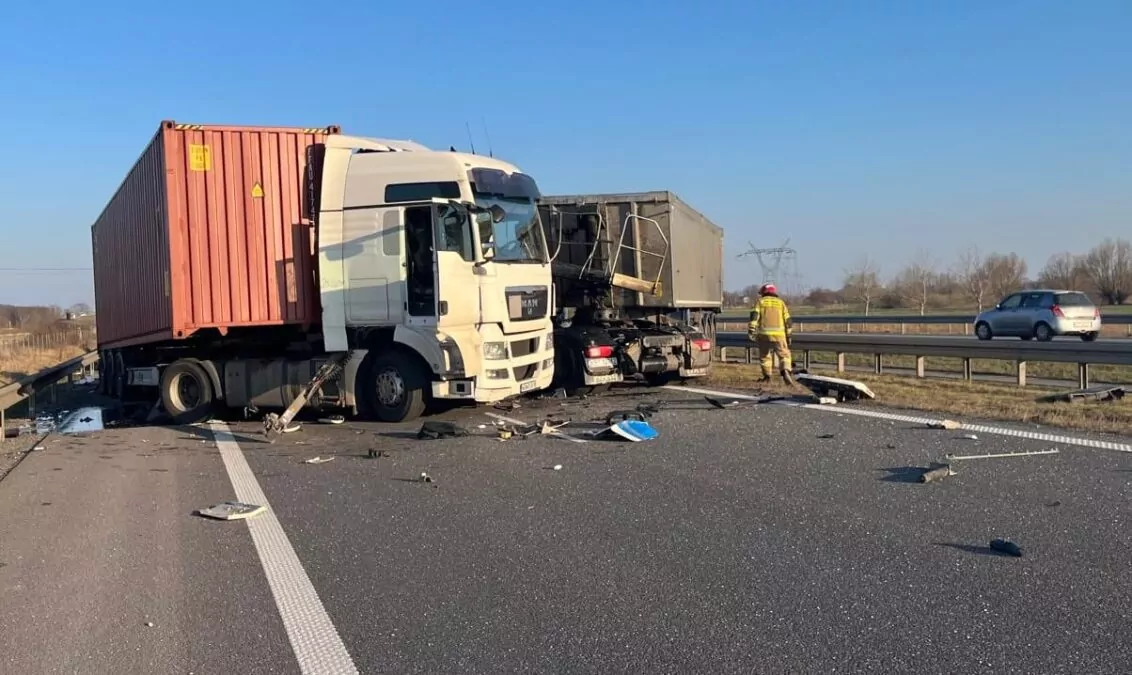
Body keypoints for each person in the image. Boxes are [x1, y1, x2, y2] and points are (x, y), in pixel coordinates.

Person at [747, 283, 794, 385]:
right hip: (779, 334)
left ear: (763, 292)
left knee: (765, 356)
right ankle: (785, 370)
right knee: (784, 355)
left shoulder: (760, 302)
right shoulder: (781, 303)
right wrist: (789, 334)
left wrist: (751, 329)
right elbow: (788, 320)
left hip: (764, 334)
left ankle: (767, 376)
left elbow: (754, 316)